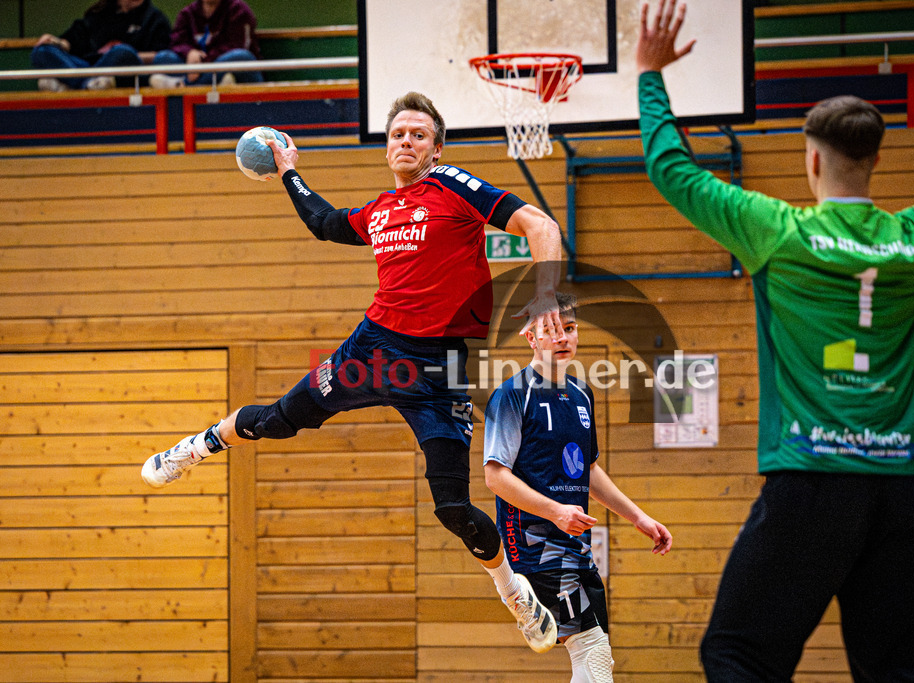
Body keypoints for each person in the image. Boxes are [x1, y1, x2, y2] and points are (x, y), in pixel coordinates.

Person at [636, 0, 914, 680]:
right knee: (894, 670)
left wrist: (651, 75)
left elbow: (673, 169)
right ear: (876, 158)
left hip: (809, 482)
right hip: (895, 491)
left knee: (737, 653)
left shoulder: (778, 232)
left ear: (811, 159)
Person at [140, 90, 565, 651]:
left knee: (453, 508)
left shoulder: (453, 186)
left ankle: (514, 593)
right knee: (277, 420)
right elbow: (324, 222)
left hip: (438, 372)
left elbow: (540, 225)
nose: (406, 141)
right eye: (397, 134)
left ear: (436, 149)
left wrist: (546, 296)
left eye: (418, 135)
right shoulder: (382, 209)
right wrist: (289, 171)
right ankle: (195, 448)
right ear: (387, 148)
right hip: (371, 353)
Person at [484, 292, 673, 678]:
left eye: (569, 328)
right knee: (592, 650)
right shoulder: (512, 395)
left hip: (576, 546)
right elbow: (495, 476)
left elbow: (588, 470)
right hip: (537, 546)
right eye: (552, 330)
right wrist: (555, 512)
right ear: (531, 337)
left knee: (596, 657)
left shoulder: (581, 393)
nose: (563, 337)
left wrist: (638, 517)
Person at [31, 0, 171, 91]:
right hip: (86, 68)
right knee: (42, 51)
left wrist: (125, 56)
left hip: (122, 71)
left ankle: (73, 84)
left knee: (123, 52)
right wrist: (54, 41)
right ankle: (87, 84)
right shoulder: (99, 13)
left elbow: (160, 55)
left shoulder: (154, 18)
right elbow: (70, 41)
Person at [150, 0, 262, 88]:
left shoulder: (239, 10)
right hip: (195, 69)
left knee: (241, 57)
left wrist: (201, 63)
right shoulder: (187, 13)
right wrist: (190, 53)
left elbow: (237, 46)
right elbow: (176, 43)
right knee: (162, 58)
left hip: (223, 67)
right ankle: (213, 84)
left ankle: (183, 85)